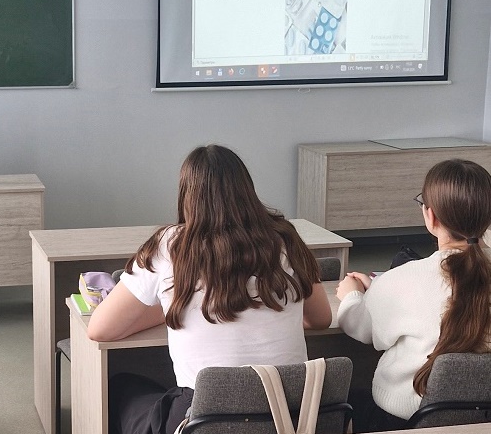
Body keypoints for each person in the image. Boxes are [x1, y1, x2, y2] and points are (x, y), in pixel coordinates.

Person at [87, 144, 332, 434]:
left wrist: (174, 305)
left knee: (121, 386)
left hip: (202, 417)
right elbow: (321, 319)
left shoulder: (169, 245)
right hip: (290, 416)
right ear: (246, 189)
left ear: (187, 195)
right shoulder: (286, 239)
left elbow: (100, 329)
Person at [336, 158, 491, 432]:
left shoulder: (402, 279)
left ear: (431, 216)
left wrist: (353, 296)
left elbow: (360, 328)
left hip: (405, 421)